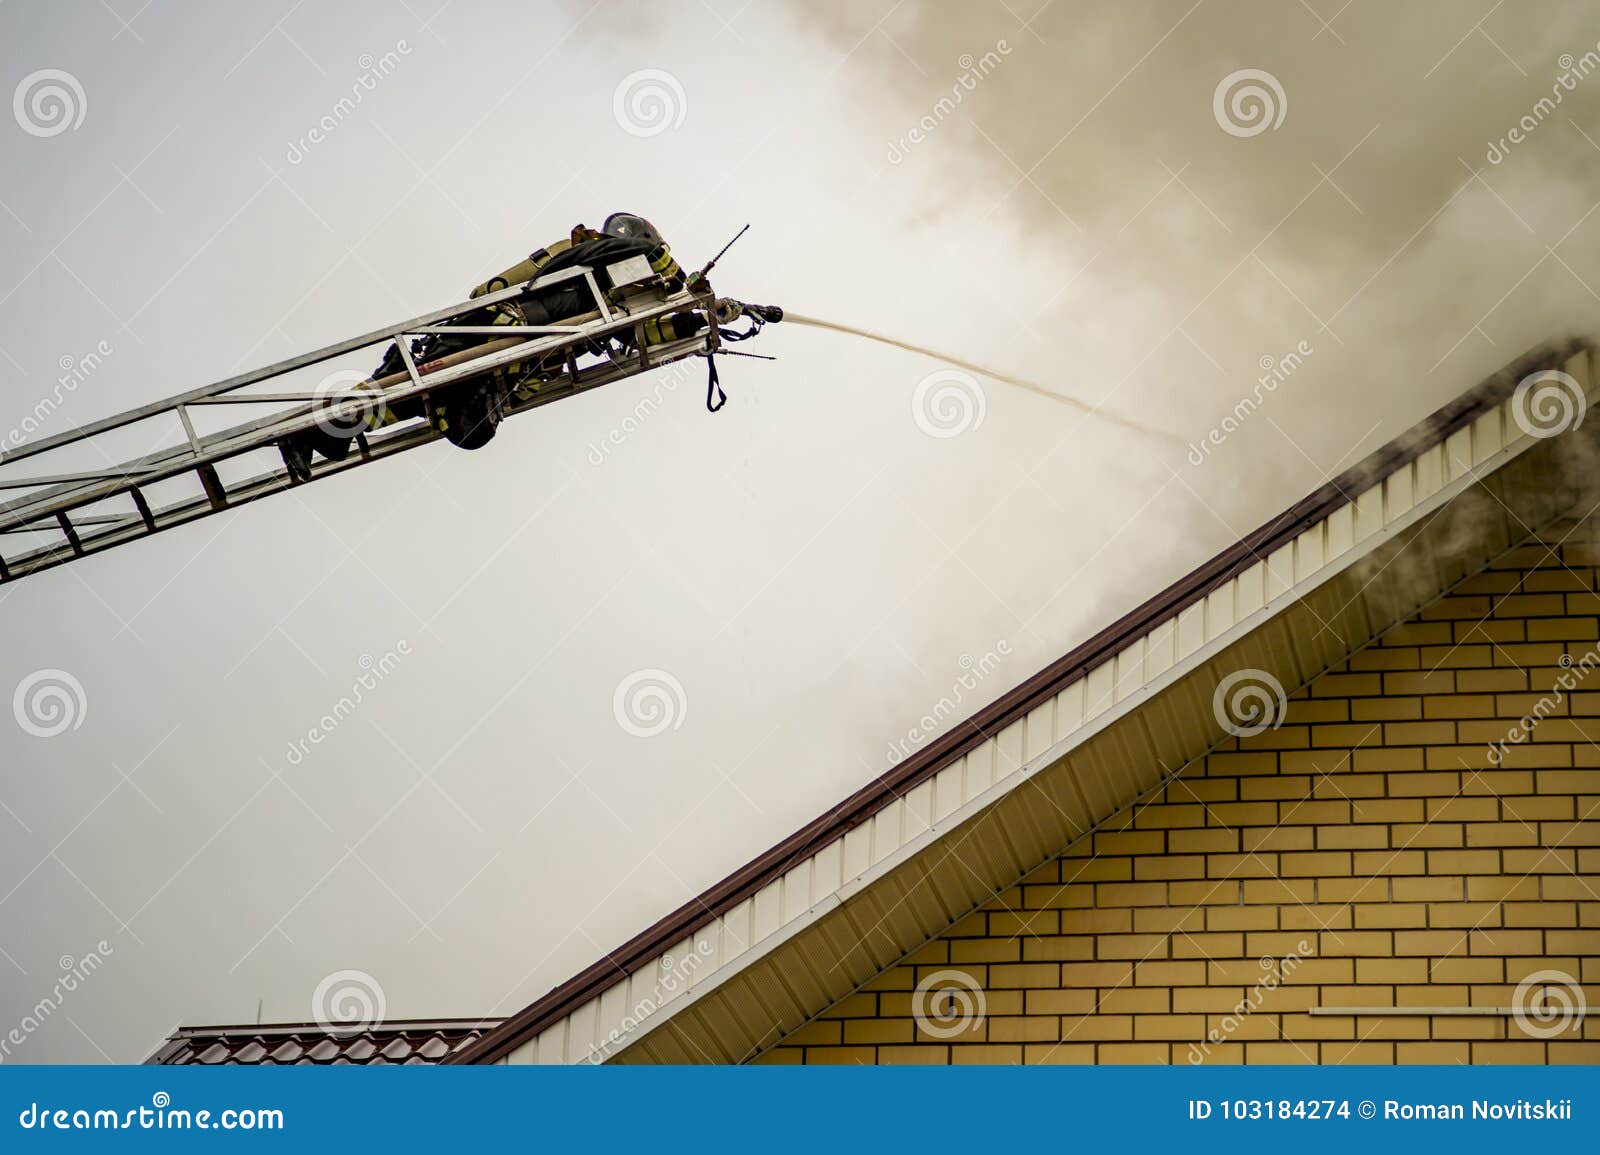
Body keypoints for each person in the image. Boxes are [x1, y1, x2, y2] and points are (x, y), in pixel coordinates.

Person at [279, 213, 702, 482]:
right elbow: (492, 291)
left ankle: (324, 436)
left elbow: (642, 334)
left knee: (433, 413)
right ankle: (309, 433)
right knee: (398, 388)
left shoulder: (612, 304)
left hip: (511, 366)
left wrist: (692, 321)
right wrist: (673, 272)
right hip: (491, 331)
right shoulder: (584, 257)